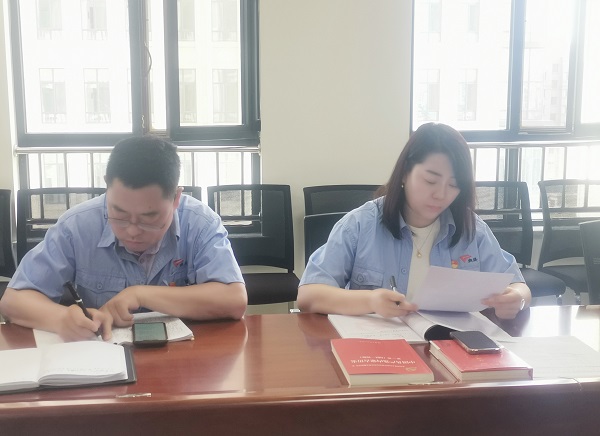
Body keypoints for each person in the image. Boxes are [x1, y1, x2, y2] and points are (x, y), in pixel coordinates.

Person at [0, 136, 247, 341]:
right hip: (103, 362)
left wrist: (140, 294)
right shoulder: (76, 226)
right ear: (107, 188)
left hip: (184, 362)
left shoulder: (200, 223)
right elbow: (13, 301)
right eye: (119, 214)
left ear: (175, 199)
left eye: (149, 218)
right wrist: (61, 318)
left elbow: (234, 300)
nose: (132, 231)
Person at [298, 122, 531, 320]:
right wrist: (369, 301)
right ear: (405, 173)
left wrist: (517, 299)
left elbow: (519, 286)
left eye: (454, 185)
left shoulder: (472, 229)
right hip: (378, 348)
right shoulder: (360, 225)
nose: (441, 194)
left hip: (448, 347)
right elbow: (308, 296)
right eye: (430, 181)